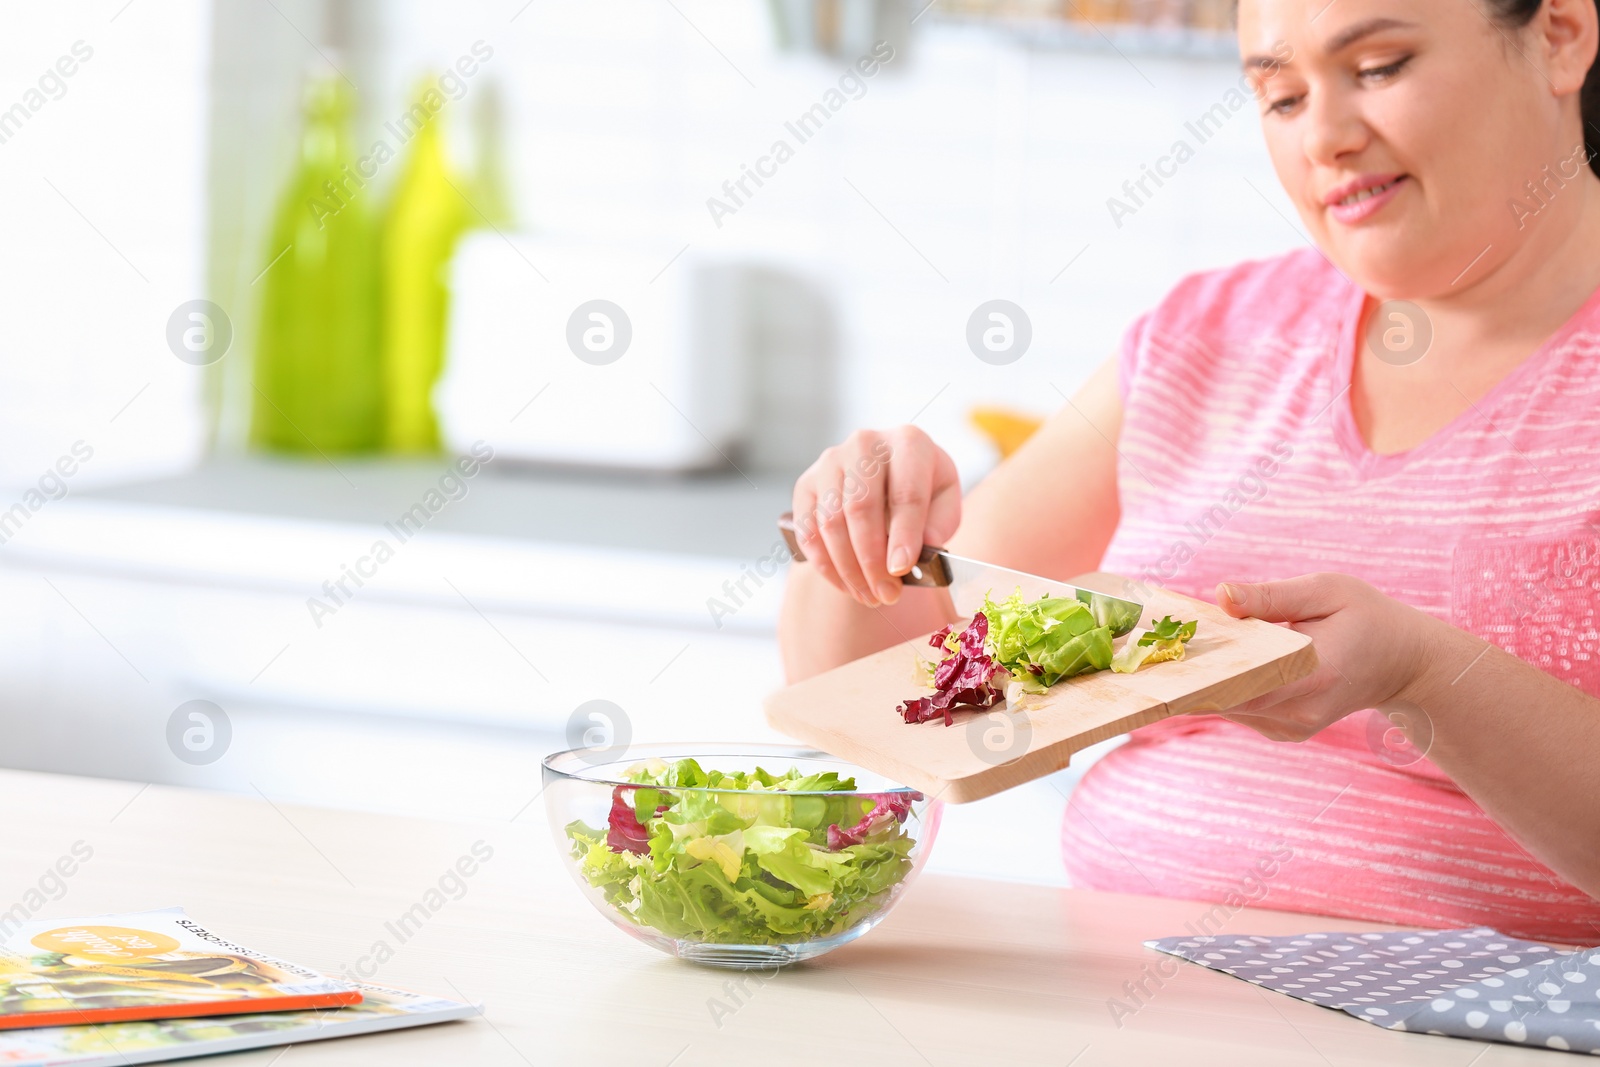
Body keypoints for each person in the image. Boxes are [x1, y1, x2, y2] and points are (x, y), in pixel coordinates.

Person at [779, 0, 1600, 943]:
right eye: (1282, 96)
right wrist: (864, 525)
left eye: (1379, 68)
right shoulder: (1210, 340)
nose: (1326, 138)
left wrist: (1425, 675)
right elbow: (882, 692)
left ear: (1562, 35)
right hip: (1111, 1003)